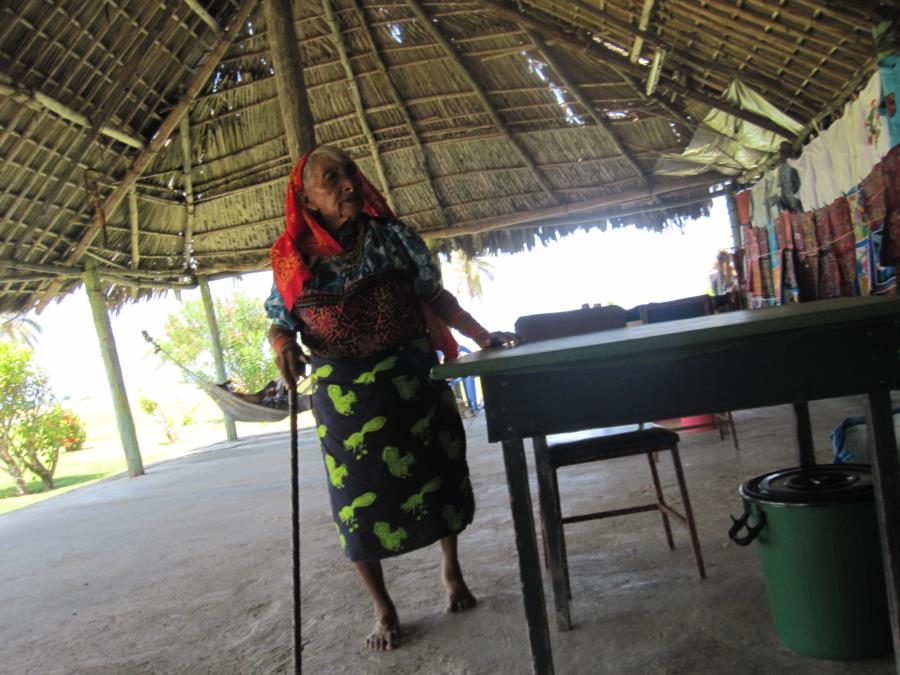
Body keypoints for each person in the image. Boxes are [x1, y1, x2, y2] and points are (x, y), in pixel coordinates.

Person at [264, 145, 516, 651]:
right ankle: (383, 606)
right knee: (356, 503)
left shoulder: (395, 238)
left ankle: (451, 571)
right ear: (307, 199)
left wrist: (480, 334)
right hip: (343, 398)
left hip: (411, 379)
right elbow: (280, 317)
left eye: (351, 173)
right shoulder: (292, 261)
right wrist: (282, 345)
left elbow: (434, 296)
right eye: (331, 177)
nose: (347, 184)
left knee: (438, 475)